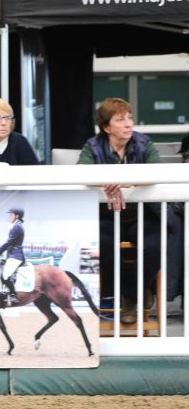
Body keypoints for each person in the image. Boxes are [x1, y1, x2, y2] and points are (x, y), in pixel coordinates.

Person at [77, 97, 161, 323]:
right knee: (102, 244)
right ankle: (132, 293)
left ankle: (129, 297)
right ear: (106, 127)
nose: (128, 124)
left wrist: (124, 181)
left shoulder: (144, 144)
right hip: (107, 215)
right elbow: (81, 172)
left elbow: (156, 172)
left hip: (142, 214)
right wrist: (107, 181)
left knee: (155, 245)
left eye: (130, 118)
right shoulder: (92, 146)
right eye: (121, 119)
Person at [0, 206, 25, 306]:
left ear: (17, 216)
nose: (9, 217)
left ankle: (13, 295)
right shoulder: (15, 225)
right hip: (11, 254)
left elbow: (9, 242)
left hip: (16, 255)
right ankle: (4, 292)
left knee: (5, 275)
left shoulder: (17, 227)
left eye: (11, 215)